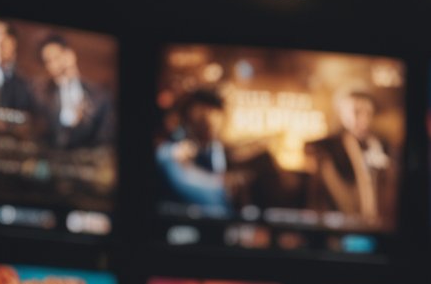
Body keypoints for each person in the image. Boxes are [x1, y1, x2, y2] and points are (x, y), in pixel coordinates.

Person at [156, 88, 284, 213]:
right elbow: (209, 196)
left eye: (214, 114)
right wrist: (223, 185)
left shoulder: (218, 150)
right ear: (188, 118)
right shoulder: (172, 153)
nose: (210, 121)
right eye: (202, 115)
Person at [306, 88, 396, 229]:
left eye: (368, 112)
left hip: (379, 225)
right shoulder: (327, 148)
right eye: (356, 112)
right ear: (342, 114)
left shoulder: (382, 145)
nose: (363, 118)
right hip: (339, 225)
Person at [36, 34, 114, 150]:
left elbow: (105, 139)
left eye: (57, 57)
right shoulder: (43, 96)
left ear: (70, 55)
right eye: (48, 61)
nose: (55, 65)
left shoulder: (100, 96)